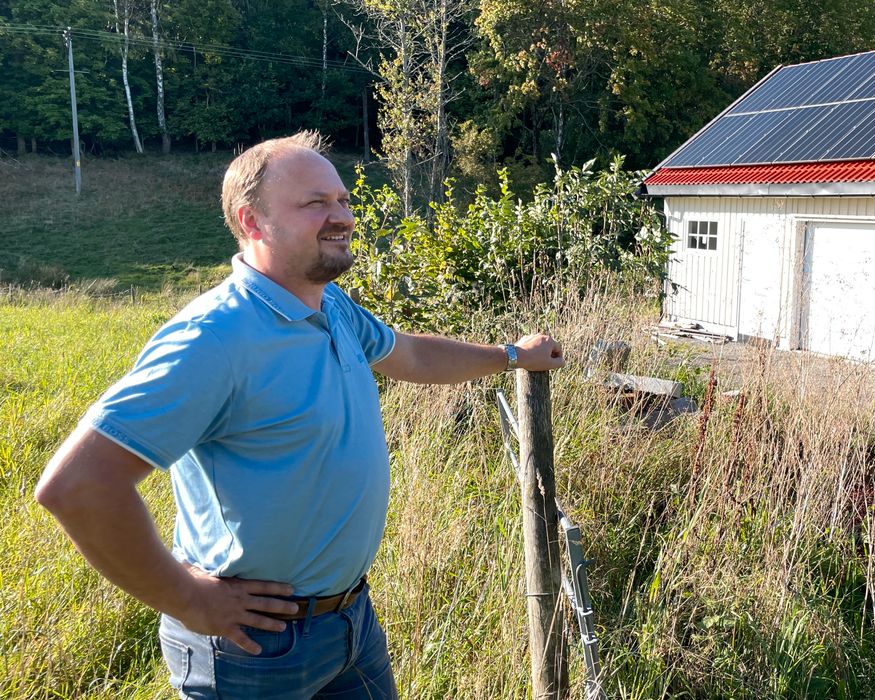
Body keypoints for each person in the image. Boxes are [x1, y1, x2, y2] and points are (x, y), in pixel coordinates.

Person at [34, 131, 564, 699]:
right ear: (253, 221)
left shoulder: (330, 305)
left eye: (341, 200)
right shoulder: (212, 339)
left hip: (351, 624)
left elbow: (408, 354)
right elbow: (79, 485)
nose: (341, 216)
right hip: (254, 651)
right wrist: (187, 598)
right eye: (316, 203)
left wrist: (512, 356)